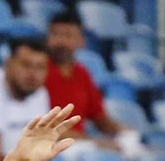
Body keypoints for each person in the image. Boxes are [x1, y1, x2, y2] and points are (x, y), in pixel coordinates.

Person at [44, 11, 132, 145]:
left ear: (81, 41)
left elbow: (100, 119)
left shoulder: (82, 73)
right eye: (55, 35)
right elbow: (43, 127)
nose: (61, 41)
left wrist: (124, 133)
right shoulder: (39, 71)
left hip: (78, 145)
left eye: (68, 36)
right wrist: (94, 142)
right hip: (50, 144)